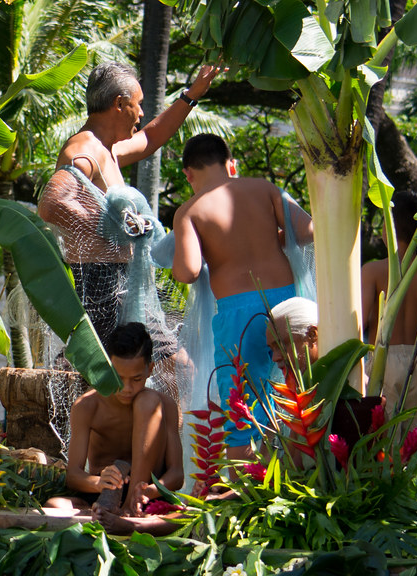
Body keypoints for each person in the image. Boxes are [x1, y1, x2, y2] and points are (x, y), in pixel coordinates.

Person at [37, 61, 222, 347]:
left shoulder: (106, 148)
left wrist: (192, 95)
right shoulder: (83, 150)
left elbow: (149, 138)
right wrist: (113, 225)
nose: (142, 112)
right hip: (99, 283)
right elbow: (51, 204)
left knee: (167, 368)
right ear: (120, 104)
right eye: (138, 104)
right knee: (155, 370)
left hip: (125, 282)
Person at [171, 134, 314, 463]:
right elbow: (307, 230)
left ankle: (248, 501)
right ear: (230, 164)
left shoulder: (189, 212)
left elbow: (188, 271)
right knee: (296, 398)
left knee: (243, 412)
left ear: (188, 174)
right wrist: (269, 238)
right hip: (286, 305)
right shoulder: (263, 188)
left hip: (240, 314)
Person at [46, 323, 184, 518]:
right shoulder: (87, 405)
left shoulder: (165, 405)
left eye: (136, 379)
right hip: (102, 495)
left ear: (150, 369)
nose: (127, 388)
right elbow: (73, 476)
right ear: (107, 369)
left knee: (148, 401)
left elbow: (177, 475)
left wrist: (146, 492)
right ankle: (108, 513)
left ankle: (128, 509)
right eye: (119, 378)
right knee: (55, 505)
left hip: (148, 498)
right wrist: (99, 483)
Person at [361, 190, 417, 462]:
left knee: (381, 442)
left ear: (387, 228)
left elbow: (361, 321)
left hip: (381, 361)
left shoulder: (373, 271)